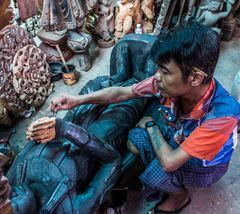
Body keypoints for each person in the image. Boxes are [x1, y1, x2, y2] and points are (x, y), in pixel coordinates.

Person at [35, 20, 239, 213]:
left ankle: (179, 196)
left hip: (205, 168)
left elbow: (169, 162)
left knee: (158, 169)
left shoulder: (221, 116)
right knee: (134, 140)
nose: (157, 76)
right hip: (179, 139)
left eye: (165, 71)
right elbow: (123, 92)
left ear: (195, 77)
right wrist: (76, 100)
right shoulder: (165, 83)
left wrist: (151, 125)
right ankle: (159, 177)